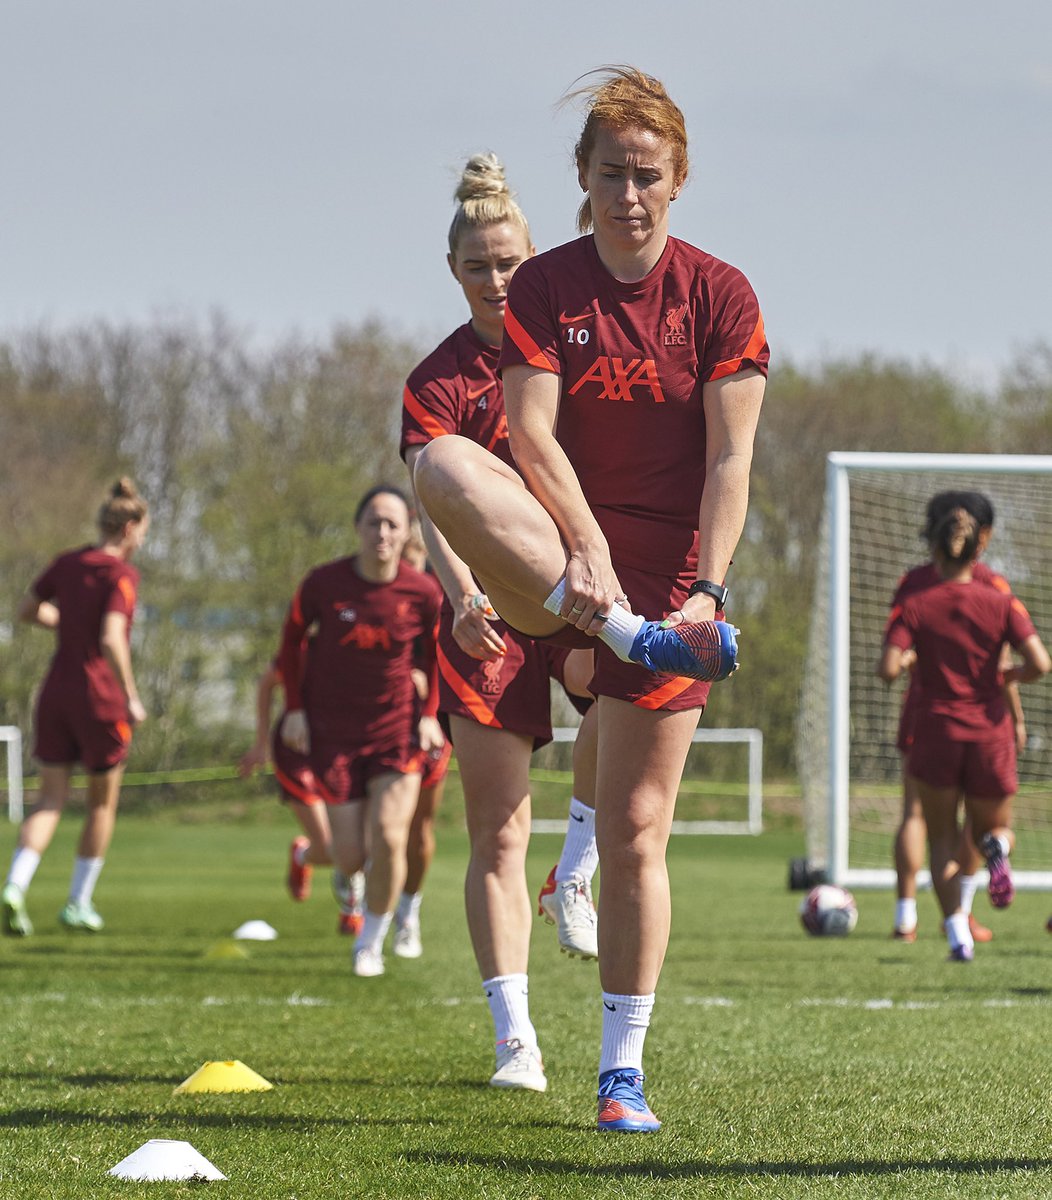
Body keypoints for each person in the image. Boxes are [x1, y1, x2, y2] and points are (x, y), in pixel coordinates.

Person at [413, 68, 768, 1131]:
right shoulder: (545, 289)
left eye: (646, 175)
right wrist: (585, 550)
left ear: (678, 180)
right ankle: (624, 633)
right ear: (582, 178)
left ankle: (621, 1074)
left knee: (635, 831)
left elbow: (729, 462)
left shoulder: (719, 294)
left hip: (669, 586)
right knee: (438, 465)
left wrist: (705, 593)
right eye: (609, 173)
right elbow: (526, 434)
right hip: (564, 565)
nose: (628, 193)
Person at [402, 151, 603, 1096]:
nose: (496, 279)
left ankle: (579, 869)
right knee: (497, 834)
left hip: (577, 589)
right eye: (479, 265)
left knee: (619, 704)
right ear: (455, 270)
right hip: (487, 618)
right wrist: (460, 594)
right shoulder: (435, 377)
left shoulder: (576, 348)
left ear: (538, 257)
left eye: (510, 262)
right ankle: (515, 1035)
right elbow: (430, 497)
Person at [275, 485, 444, 977]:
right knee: (349, 856)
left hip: (398, 732)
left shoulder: (423, 592)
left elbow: (436, 656)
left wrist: (430, 713)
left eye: (393, 523)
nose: (383, 532)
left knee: (392, 837)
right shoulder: (323, 584)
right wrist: (295, 709)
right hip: (334, 734)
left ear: (407, 531)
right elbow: (289, 642)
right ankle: (360, 891)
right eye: (374, 522)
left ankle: (371, 939)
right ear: (358, 529)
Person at [880, 500, 1050, 961]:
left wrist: (914, 659)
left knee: (938, 834)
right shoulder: (999, 598)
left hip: (934, 727)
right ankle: (998, 847)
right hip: (989, 729)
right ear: (980, 547)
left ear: (933, 546)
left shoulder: (915, 599)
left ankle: (953, 930)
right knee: (990, 828)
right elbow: (1040, 662)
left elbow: (889, 668)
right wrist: (1006, 683)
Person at [2, 478, 149, 936]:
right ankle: (78, 902)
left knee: (49, 799)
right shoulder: (121, 575)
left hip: (56, 692)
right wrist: (130, 694)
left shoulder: (66, 563)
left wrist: (68, 624)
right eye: (144, 531)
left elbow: (26, 610)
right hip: (99, 698)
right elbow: (110, 637)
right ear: (129, 528)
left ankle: (15, 886)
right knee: (101, 805)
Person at [237, 662, 365, 935]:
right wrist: (260, 743)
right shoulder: (307, 645)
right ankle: (302, 855)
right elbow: (267, 682)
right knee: (331, 848)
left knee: (356, 842)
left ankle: (352, 912)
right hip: (296, 753)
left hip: (341, 751)